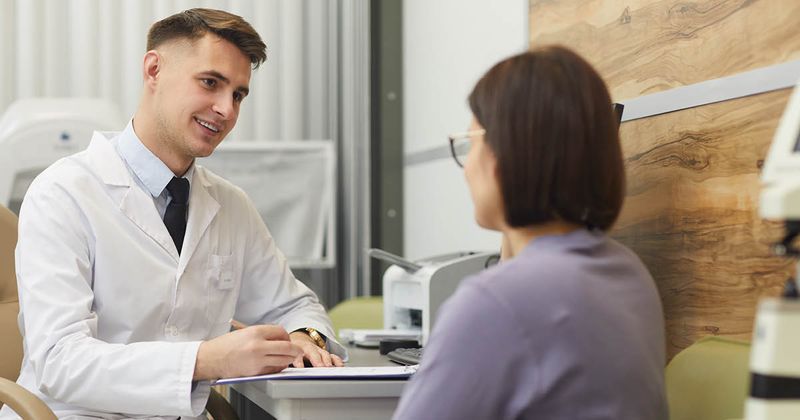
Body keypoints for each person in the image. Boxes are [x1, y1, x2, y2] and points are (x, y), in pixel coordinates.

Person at [0, 8, 344, 419]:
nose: (226, 109)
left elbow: (294, 305)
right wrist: (206, 360)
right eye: (210, 83)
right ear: (153, 70)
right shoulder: (62, 194)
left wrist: (305, 337)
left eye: (237, 94)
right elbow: (59, 361)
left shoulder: (231, 205)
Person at [392, 46, 668, 419]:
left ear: (506, 155)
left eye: (470, 144)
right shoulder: (628, 272)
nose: (466, 168)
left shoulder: (493, 303)